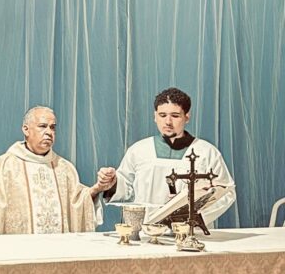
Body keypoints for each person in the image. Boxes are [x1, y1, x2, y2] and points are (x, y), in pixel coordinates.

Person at [95, 87, 236, 223]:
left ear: (187, 117)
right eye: (162, 115)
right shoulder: (139, 151)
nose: (168, 122)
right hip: (146, 230)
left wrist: (192, 217)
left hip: (190, 231)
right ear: (155, 116)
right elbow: (126, 189)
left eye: (175, 116)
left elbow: (226, 192)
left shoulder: (206, 152)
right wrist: (112, 183)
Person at [0, 106, 101, 234]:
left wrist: (97, 189)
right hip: (20, 245)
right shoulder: (5, 165)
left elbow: (79, 204)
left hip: (58, 246)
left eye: (52, 127)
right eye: (43, 126)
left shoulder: (65, 168)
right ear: (26, 130)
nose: (49, 132)